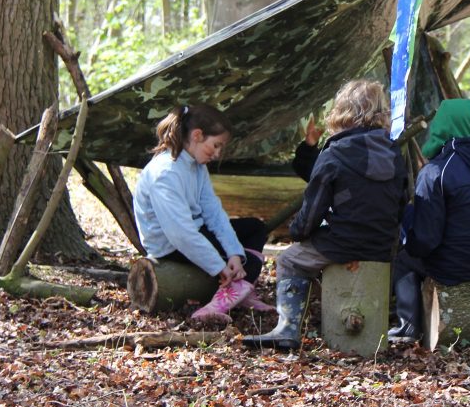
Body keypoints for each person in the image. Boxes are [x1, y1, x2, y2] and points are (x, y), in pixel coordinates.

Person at [242, 79, 406, 350]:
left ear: (342, 111)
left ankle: (288, 328)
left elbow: (312, 208)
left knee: (290, 260)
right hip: (383, 245)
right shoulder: (393, 154)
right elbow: (401, 203)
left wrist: (298, 233)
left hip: (343, 242)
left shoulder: (334, 154)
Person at [388, 98, 470, 344]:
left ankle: (407, 326)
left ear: (440, 127)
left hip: (449, 269)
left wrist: (408, 236)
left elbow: (426, 241)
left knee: (405, 261)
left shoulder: (435, 172)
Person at [133, 104, 273, 324]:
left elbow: (213, 212)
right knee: (239, 258)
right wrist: (218, 266)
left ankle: (239, 293)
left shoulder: (197, 165)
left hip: (196, 231)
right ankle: (219, 303)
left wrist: (234, 253)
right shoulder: (165, 173)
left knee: (256, 228)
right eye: (215, 145)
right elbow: (181, 234)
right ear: (197, 135)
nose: (217, 154)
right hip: (170, 245)